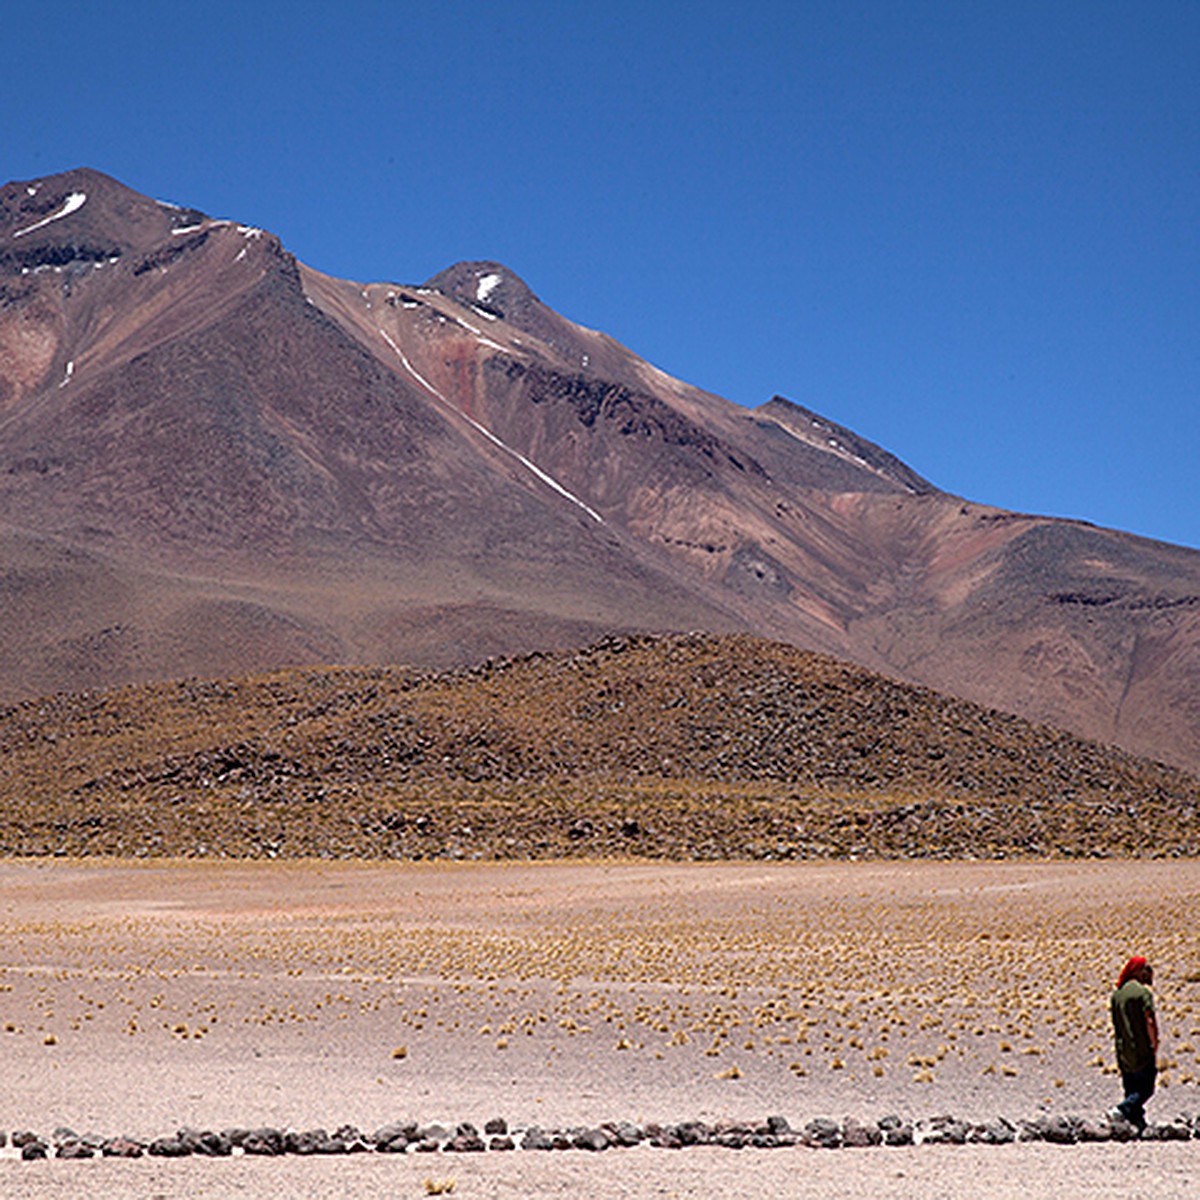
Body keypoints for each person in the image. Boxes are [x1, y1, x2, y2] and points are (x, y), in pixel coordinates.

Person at [1110, 956, 1158, 1133]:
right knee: (1146, 1087)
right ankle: (1120, 1110)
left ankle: (1135, 1123)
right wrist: (1154, 1044)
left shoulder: (1117, 993)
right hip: (1141, 1047)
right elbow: (1149, 1020)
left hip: (1123, 1048)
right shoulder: (1142, 993)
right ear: (1138, 971)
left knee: (1131, 1086)